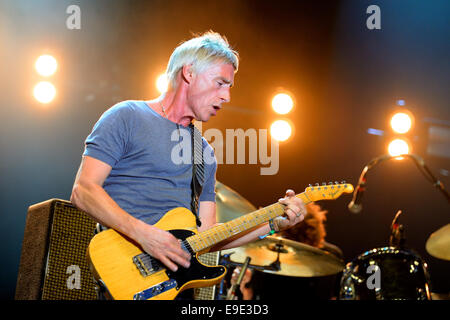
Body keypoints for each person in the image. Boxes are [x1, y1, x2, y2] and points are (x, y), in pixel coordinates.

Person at [70, 31, 306, 287]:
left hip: (161, 286)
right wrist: (145, 236)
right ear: (189, 73)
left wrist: (271, 223)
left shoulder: (203, 153)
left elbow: (207, 237)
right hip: (108, 271)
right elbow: (83, 190)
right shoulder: (126, 116)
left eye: (229, 87)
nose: (227, 97)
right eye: (220, 83)